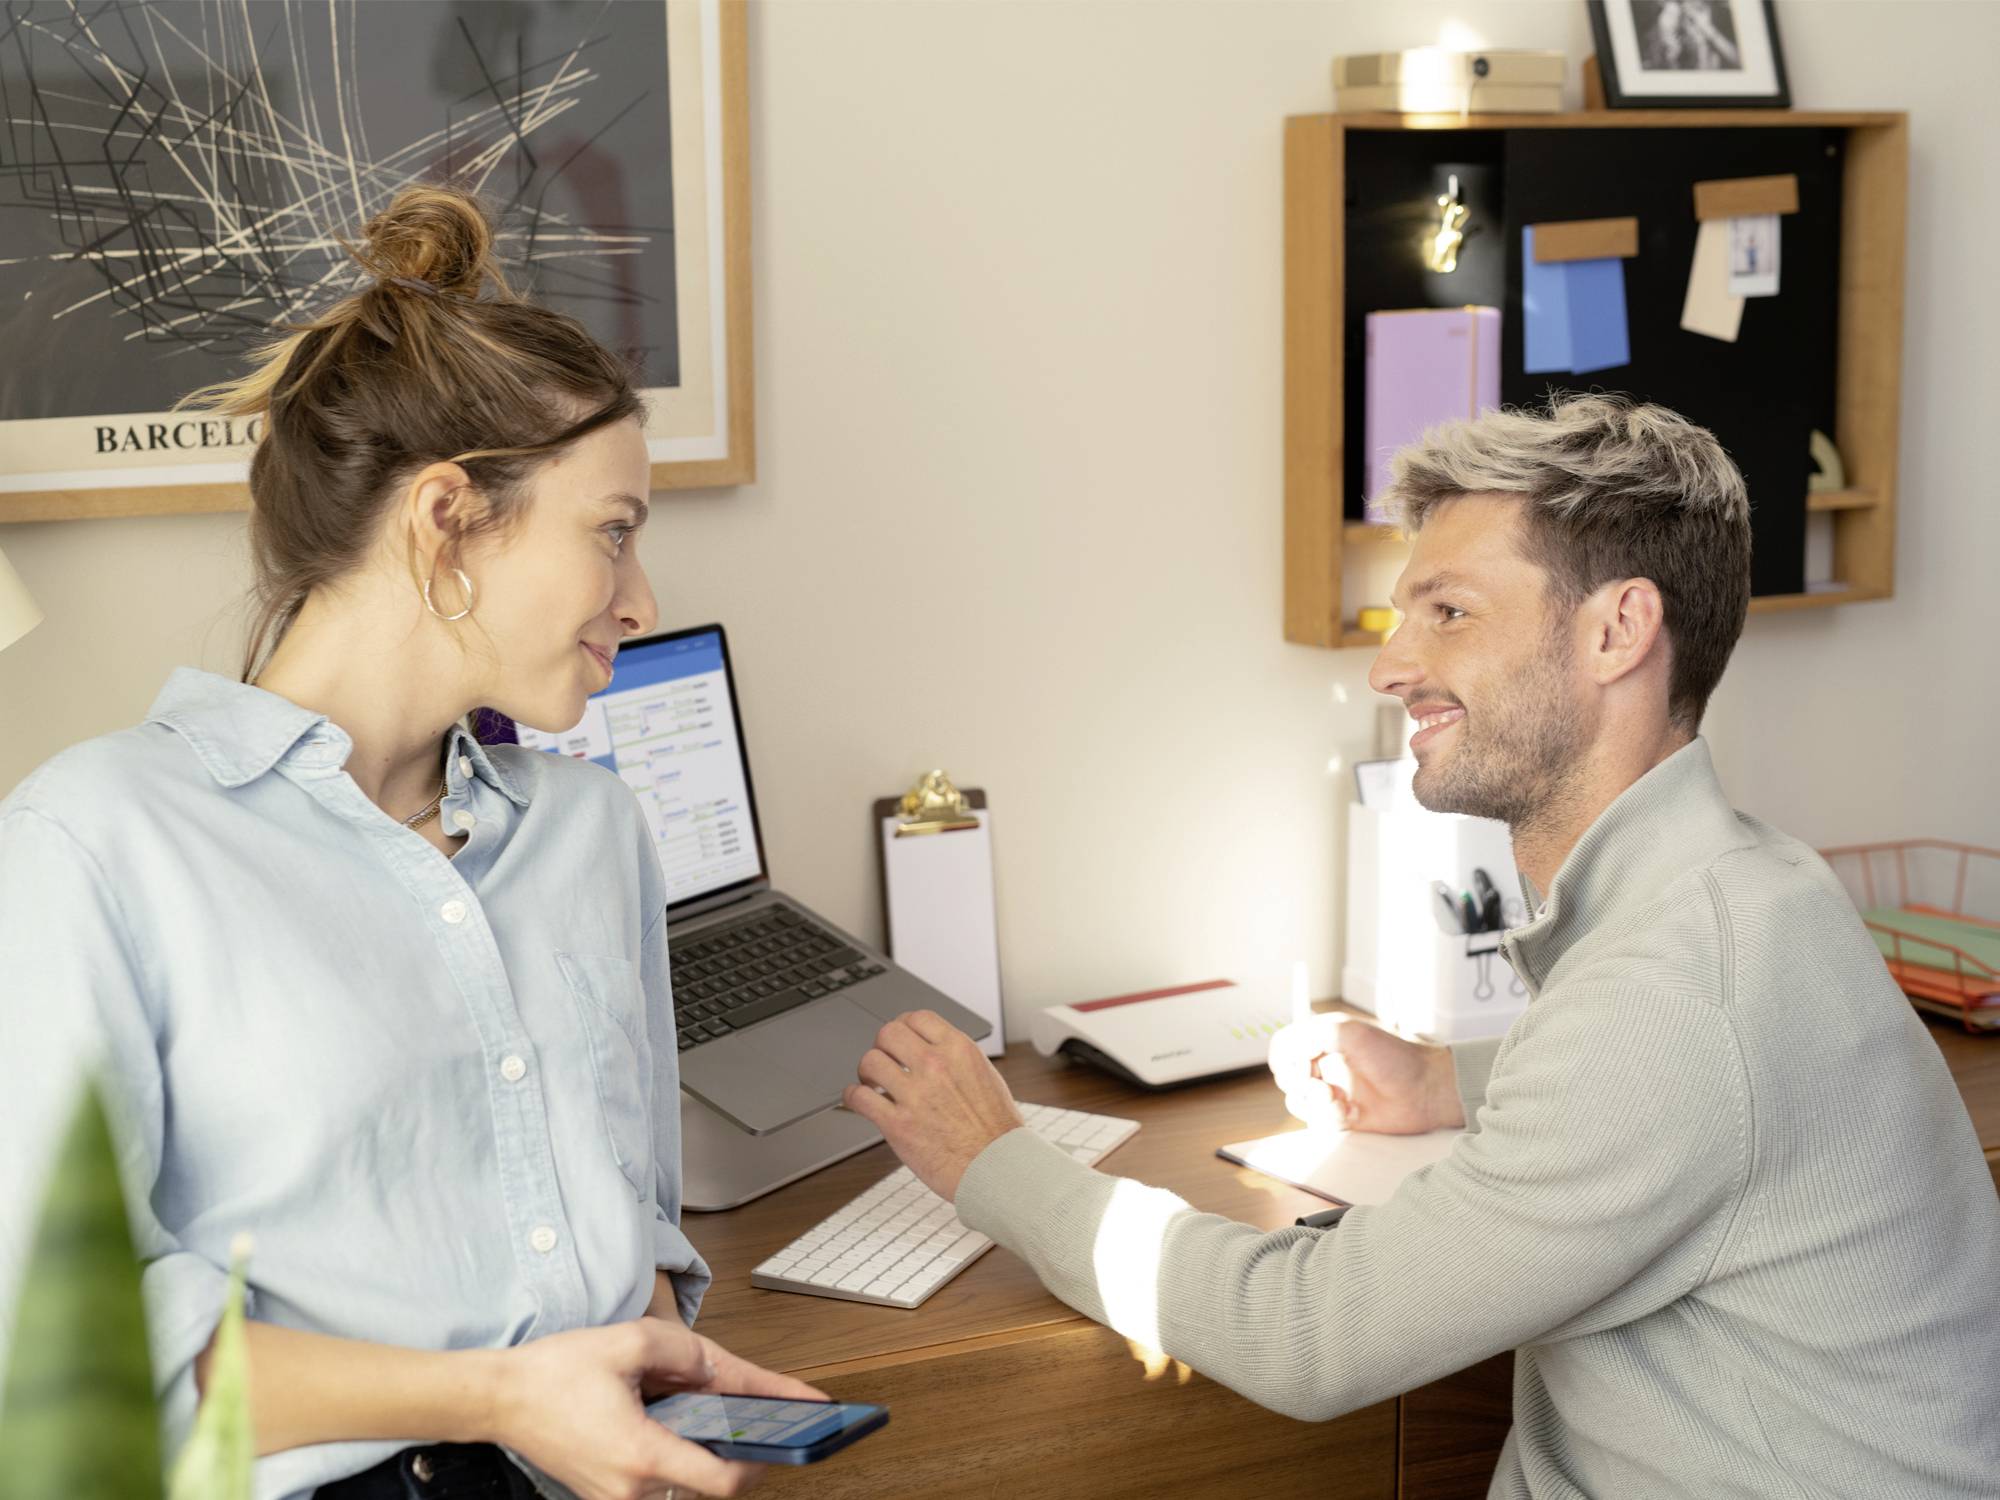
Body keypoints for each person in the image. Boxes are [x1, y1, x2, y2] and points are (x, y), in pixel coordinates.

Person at [840, 396, 2000, 1498]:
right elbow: (1705, 1086)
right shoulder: (1754, 888)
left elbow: (1310, 1335)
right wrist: (1446, 1079)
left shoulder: (1665, 996)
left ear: (1616, 631)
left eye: (1447, 613)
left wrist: (991, 1161)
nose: (1390, 667)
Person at [0, 186, 814, 1500]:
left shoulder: (592, 833)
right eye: (613, 534)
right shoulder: (95, 845)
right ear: (448, 520)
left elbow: (638, 1226)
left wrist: (663, 1390)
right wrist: (496, 1396)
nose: (643, 600)